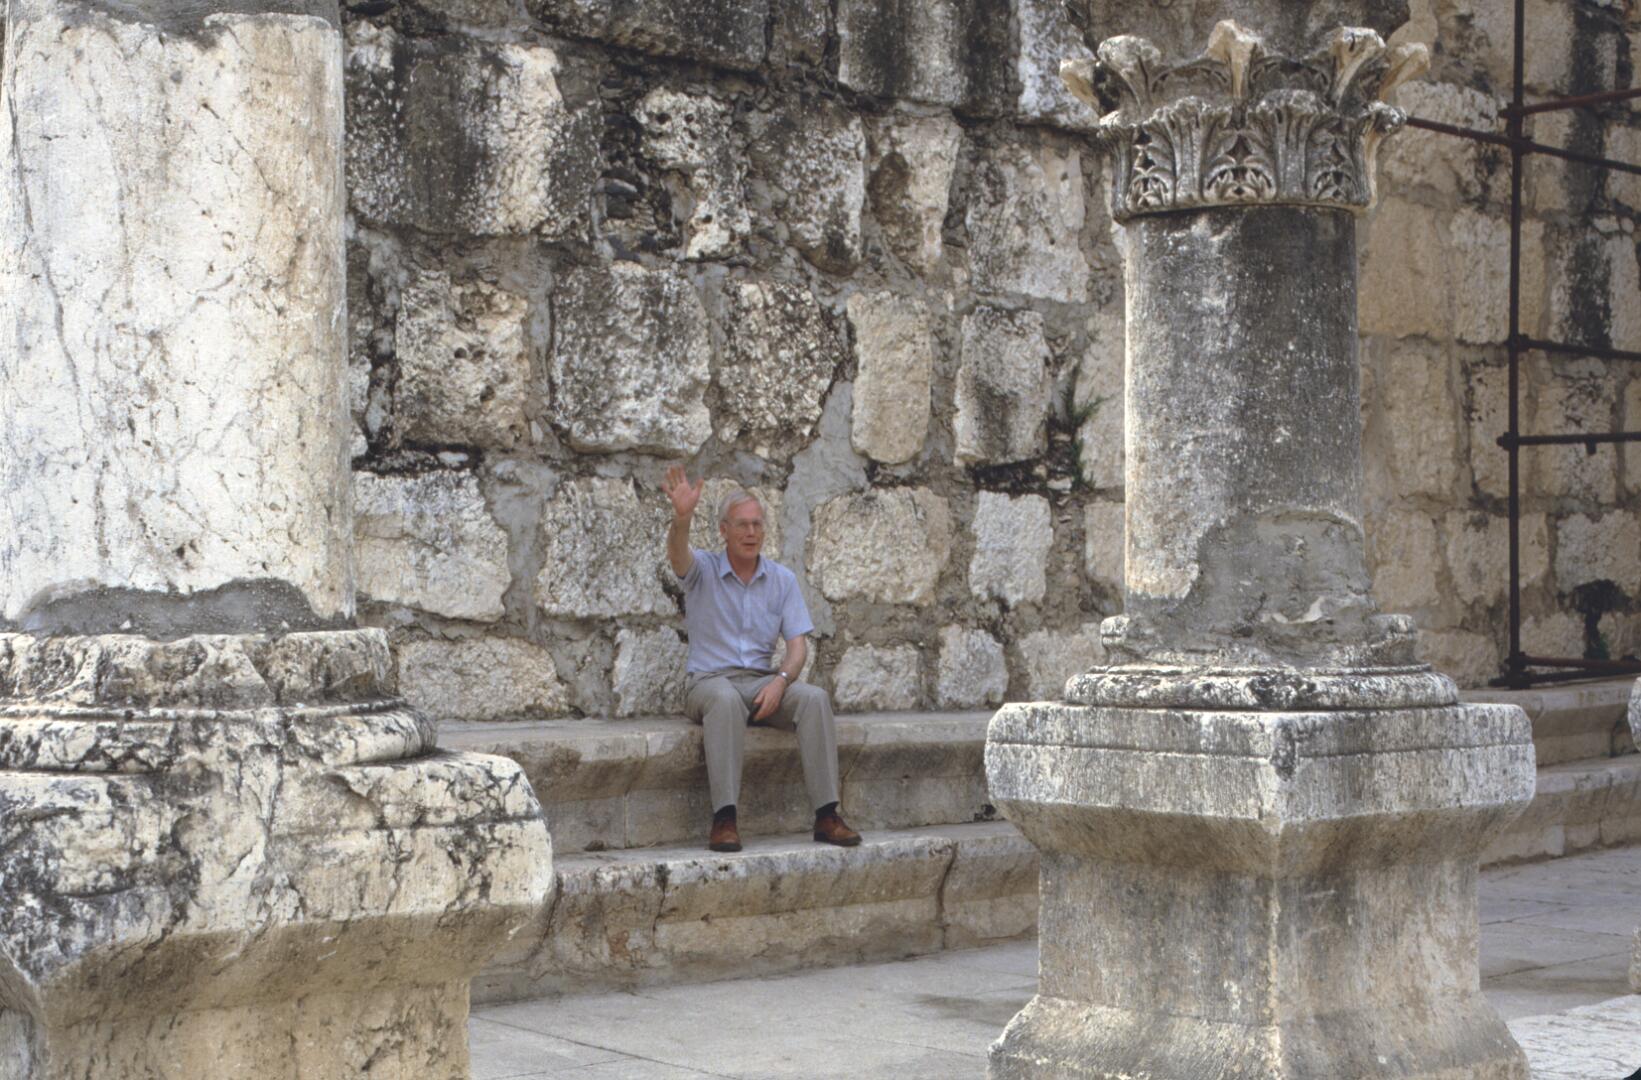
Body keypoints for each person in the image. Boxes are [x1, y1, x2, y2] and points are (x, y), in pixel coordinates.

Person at [662, 465, 862, 853]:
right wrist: (681, 518)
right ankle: (724, 819)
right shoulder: (702, 570)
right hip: (708, 683)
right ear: (724, 530)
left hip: (760, 682)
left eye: (757, 525)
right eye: (742, 525)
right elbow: (677, 554)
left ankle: (827, 815)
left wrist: (781, 682)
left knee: (814, 699)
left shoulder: (782, 580)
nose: (751, 532)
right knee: (724, 700)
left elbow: (797, 648)